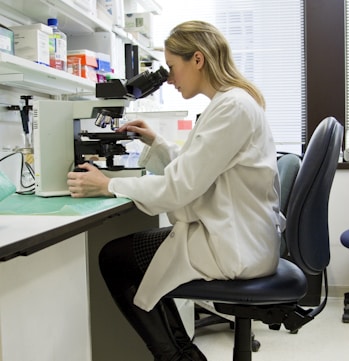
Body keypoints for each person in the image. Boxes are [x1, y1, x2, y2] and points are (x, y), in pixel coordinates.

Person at [67, 20, 282, 361]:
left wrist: (107, 184)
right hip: (233, 233)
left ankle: (178, 357)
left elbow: (179, 187)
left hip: (234, 243)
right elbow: (199, 169)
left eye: (172, 66)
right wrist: (158, 142)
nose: (168, 77)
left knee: (115, 258)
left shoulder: (232, 107)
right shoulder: (230, 103)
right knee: (142, 261)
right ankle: (184, 354)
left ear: (197, 59)